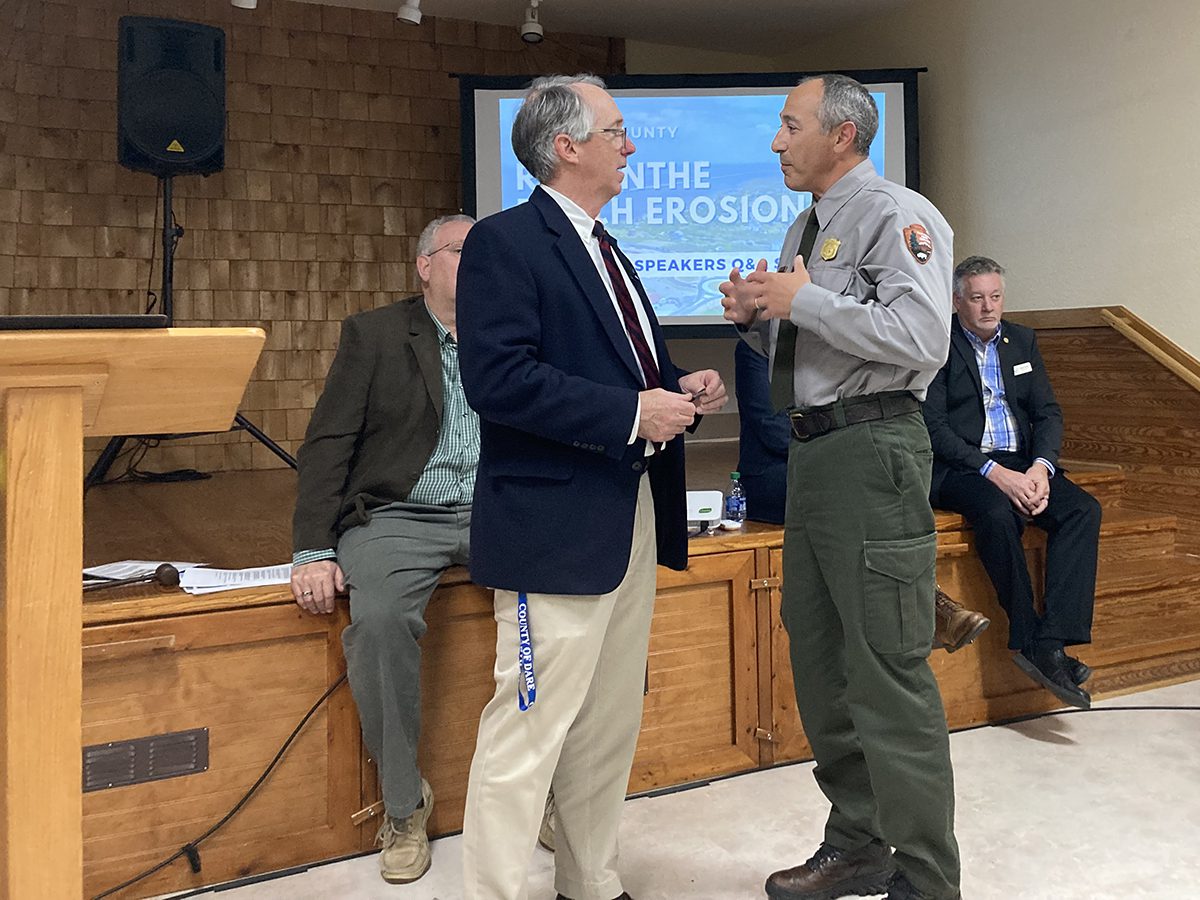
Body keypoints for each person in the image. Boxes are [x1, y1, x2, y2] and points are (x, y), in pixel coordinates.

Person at [456, 74, 727, 900]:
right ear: (567, 146)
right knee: (529, 729)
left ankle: (590, 881)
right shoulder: (506, 242)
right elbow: (497, 381)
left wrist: (681, 386)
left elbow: (619, 372)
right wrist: (628, 412)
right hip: (554, 525)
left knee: (608, 725)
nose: (631, 145)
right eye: (616, 130)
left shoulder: (605, 244)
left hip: (631, 508)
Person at [720, 74, 961, 900]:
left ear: (843, 136)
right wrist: (759, 320)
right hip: (813, 457)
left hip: (875, 452)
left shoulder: (900, 215)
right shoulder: (808, 224)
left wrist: (808, 301)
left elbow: (924, 338)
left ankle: (927, 878)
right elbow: (815, 359)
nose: (778, 142)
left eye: (790, 125)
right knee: (821, 666)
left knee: (888, 670)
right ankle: (856, 843)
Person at [289, 214, 477, 886]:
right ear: (424, 265)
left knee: (560, 611)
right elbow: (330, 441)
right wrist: (313, 547)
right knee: (379, 623)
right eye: (463, 250)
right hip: (399, 512)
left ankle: (546, 792)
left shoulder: (513, 331)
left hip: (495, 511)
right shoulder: (373, 335)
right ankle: (403, 805)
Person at [922, 255, 1101, 710]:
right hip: (961, 465)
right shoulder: (937, 343)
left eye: (995, 297)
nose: (988, 307)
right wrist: (996, 474)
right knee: (997, 511)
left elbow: (1047, 412)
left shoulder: (1022, 341)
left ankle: (1053, 641)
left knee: (1083, 510)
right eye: (977, 298)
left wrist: (1040, 467)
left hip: (1021, 461)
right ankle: (1025, 633)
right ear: (957, 300)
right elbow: (934, 428)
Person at [734, 340, 988, 653]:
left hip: (831, 471)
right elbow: (771, 428)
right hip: (774, 477)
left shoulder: (835, 348)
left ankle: (920, 601)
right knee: (862, 485)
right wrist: (843, 446)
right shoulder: (758, 348)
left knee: (872, 483)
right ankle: (925, 604)